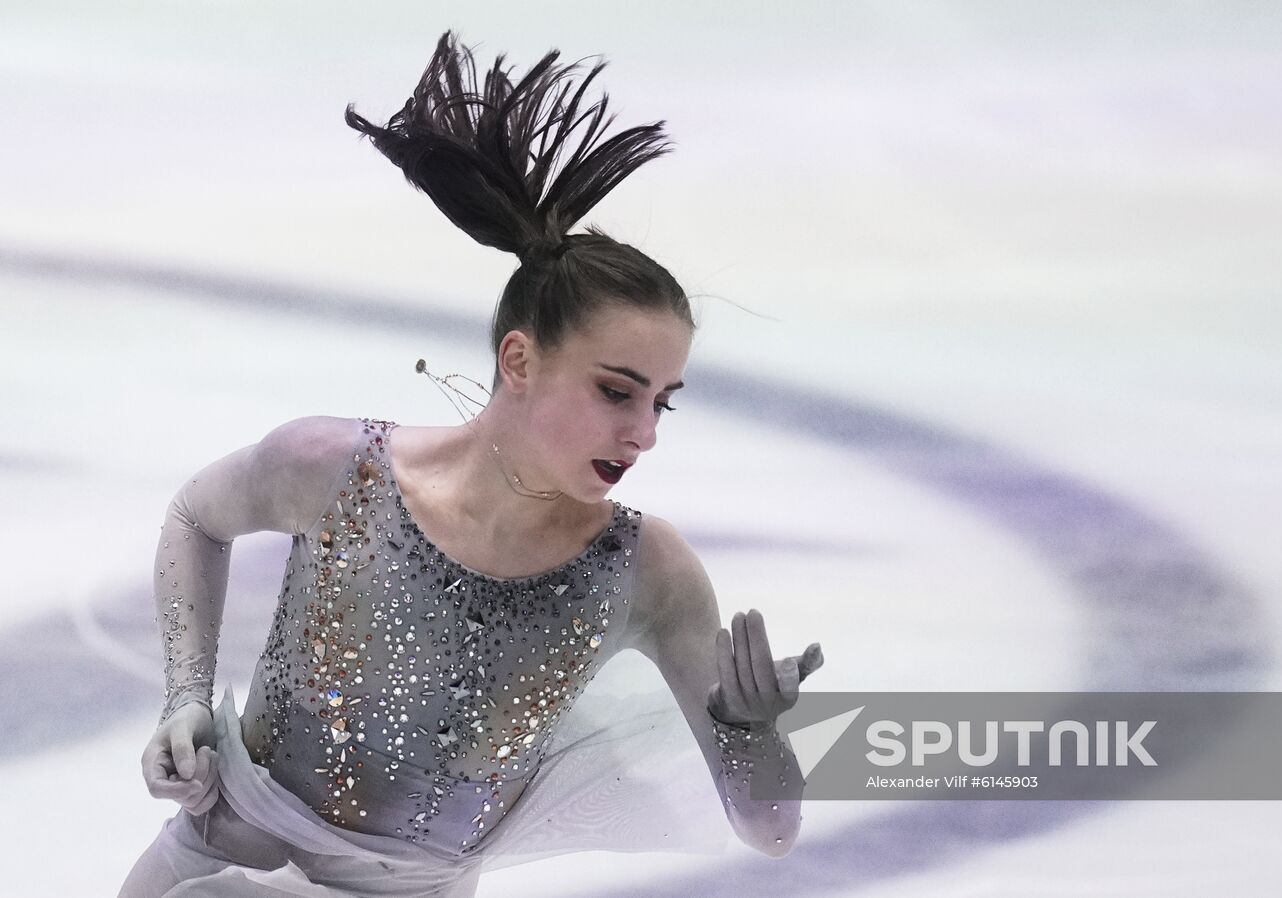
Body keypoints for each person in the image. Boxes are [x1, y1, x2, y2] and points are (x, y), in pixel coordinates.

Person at [118, 30, 824, 898]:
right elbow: (196, 516)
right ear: (520, 361)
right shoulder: (337, 469)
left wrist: (749, 732)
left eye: (661, 400)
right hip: (225, 861)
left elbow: (771, 831)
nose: (644, 433)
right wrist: (186, 696)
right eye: (616, 391)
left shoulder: (648, 573)